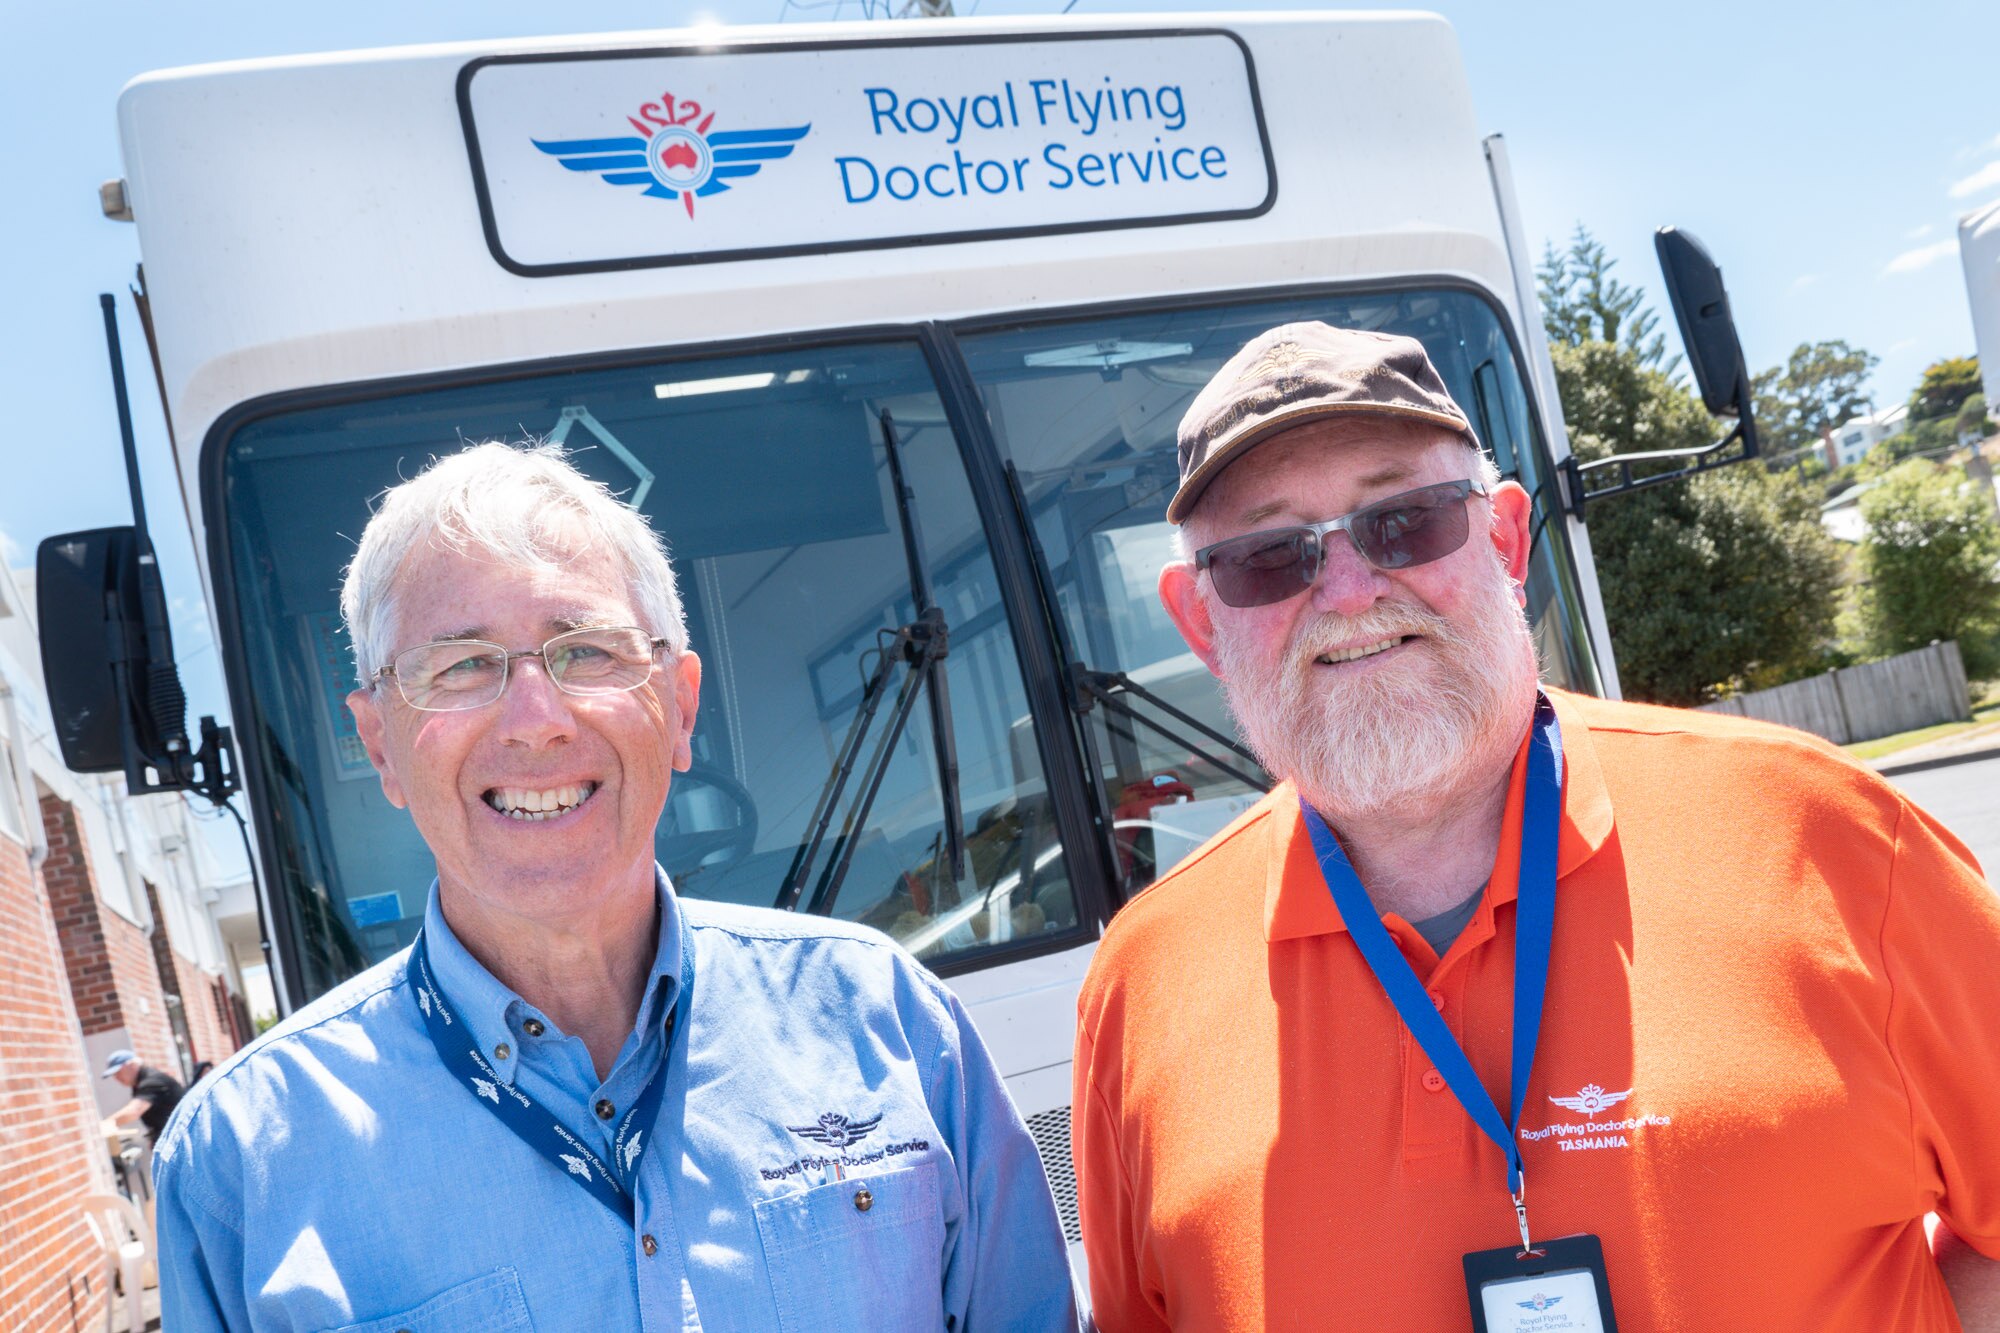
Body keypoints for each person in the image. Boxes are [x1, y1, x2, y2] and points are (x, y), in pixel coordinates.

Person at [1071, 322, 2000, 1331]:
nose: (1346, 591)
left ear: (1505, 539)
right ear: (1200, 620)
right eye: (1266, 557)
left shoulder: (1828, 837)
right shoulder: (1138, 984)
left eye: (1405, 520)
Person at [155, 443, 1077, 1332]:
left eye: (586, 651)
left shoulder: (890, 1019)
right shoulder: (237, 1169)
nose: (535, 720)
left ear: (678, 707)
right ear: (381, 747)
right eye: (462, 665)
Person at [102, 1048, 186, 1178]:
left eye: (118, 1072)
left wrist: (105, 1125)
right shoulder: (141, 1083)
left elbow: (134, 1111)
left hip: (181, 1144)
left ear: (131, 1065)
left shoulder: (152, 1081)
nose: (116, 1078)